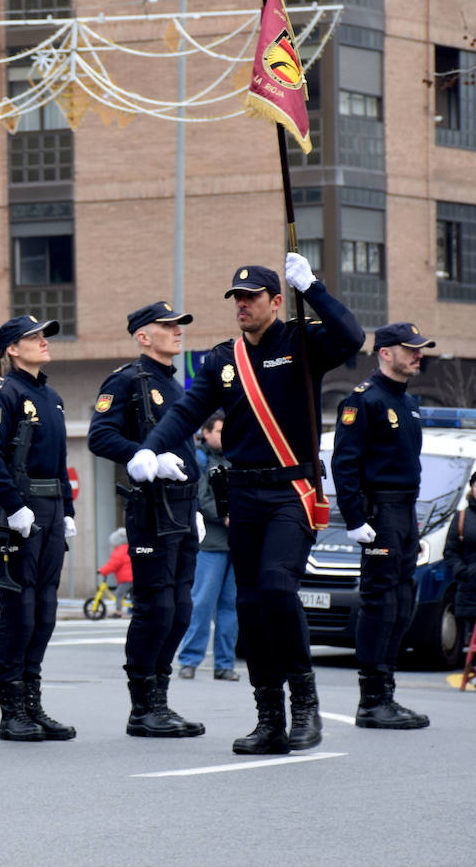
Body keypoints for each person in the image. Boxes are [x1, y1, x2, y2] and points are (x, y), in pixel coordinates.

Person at [131, 255, 364, 755]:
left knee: (279, 588)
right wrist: (149, 448)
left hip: (291, 491)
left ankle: (305, 702)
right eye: (236, 297)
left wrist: (316, 288)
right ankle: (268, 718)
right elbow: (188, 410)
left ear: (276, 301)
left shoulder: (302, 342)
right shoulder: (221, 360)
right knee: (252, 607)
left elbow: (352, 338)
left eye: (252, 296)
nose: (242, 304)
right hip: (242, 494)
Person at [89, 301, 205, 738]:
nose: (178, 332)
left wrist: (195, 507)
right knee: (155, 607)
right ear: (143, 336)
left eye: (179, 325)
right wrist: (146, 460)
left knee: (179, 609)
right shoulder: (127, 381)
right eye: (167, 326)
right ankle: (144, 708)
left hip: (182, 505)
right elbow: (100, 435)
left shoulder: (176, 386)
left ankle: (161, 698)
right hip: (151, 507)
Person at [0, 315, 77, 743]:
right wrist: (14, 506)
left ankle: (33, 701)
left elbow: (57, 460)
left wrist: (68, 509)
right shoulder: (4, 393)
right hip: (21, 511)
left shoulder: (50, 395)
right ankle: (11, 708)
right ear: (12, 349)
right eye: (33, 337)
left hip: (51, 508)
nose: (42, 342)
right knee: (20, 610)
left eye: (43, 336)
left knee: (46, 610)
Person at [331, 322, 434, 730]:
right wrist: (355, 518)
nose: (418, 355)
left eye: (420, 349)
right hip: (380, 514)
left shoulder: (406, 401)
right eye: (410, 349)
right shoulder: (365, 401)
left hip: (405, 513)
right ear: (385, 352)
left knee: (403, 602)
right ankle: (371, 700)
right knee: (381, 603)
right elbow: (345, 464)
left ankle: (386, 693)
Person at [178, 411, 239, 681]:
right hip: (211, 543)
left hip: (236, 542)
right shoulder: (199, 458)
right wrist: (226, 516)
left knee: (230, 605)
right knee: (202, 602)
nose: (224, 437)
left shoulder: (236, 457)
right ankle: (189, 660)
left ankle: (225, 664)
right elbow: (202, 497)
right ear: (206, 432)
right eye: (219, 431)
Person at [442, 474, 476, 659]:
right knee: (472, 634)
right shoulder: (462, 518)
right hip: (470, 585)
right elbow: (450, 551)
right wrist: (462, 571)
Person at [97, 529, 133, 619]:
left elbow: (113, 565)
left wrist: (102, 571)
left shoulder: (120, 551)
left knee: (118, 594)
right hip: (131, 577)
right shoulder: (128, 548)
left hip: (127, 579)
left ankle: (118, 612)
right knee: (132, 594)